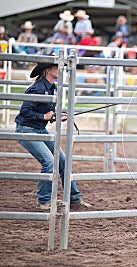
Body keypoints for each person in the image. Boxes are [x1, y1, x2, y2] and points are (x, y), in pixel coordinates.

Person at [14, 61, 91, 210]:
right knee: (49, 162)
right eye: (57, 67)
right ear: (48, 70)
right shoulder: (37, 88)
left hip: (38, 130)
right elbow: (25, 112)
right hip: (26, 130)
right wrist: (44, 116)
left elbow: (44, 113)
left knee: (63, 160)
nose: (61, 70)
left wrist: (55, 116)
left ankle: (74, 198)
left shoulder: (52, 88)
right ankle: (43, 200)